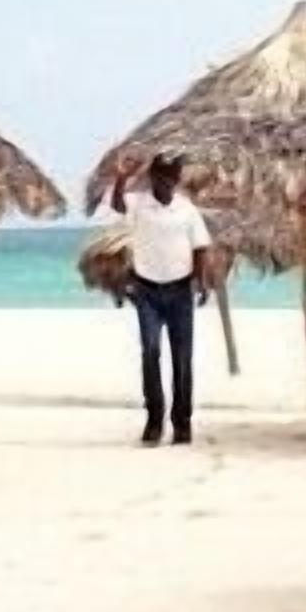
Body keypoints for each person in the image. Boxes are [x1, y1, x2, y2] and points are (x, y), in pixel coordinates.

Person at [107, 153, 213, 445]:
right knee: (151, 352)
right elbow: (117, 205)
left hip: (180, 291)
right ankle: (154, 420)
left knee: (182, 358)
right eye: (160, 179)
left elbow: (201, 247)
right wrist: (121, 178)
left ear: (176, 180)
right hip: (147, 290)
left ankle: (182, 423)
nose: (165, 184)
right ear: (153, 178)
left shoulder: (187, 210)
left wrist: (201, 283)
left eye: (170, 179)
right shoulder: (139, 204)